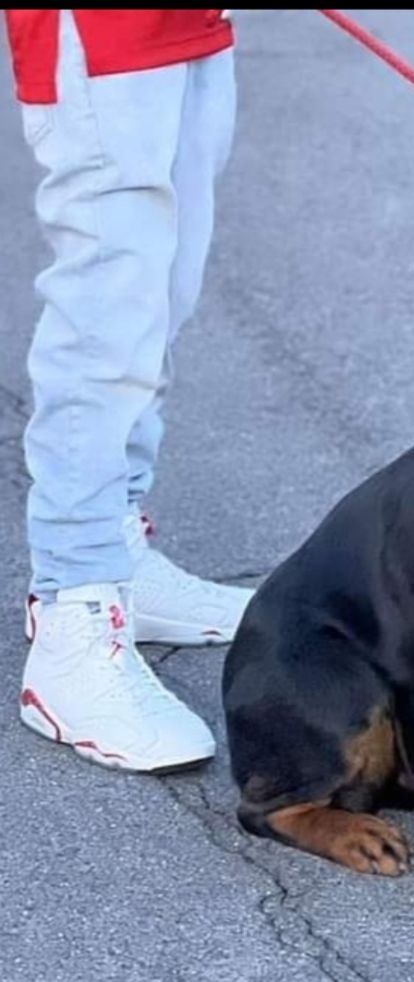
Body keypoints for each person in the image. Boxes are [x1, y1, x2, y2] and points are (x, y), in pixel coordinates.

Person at [6, 9, 253, 773]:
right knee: (106, 315)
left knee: (162, 294)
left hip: (191, 25)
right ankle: (74, 606)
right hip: (102, 29)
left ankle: (117, 545)